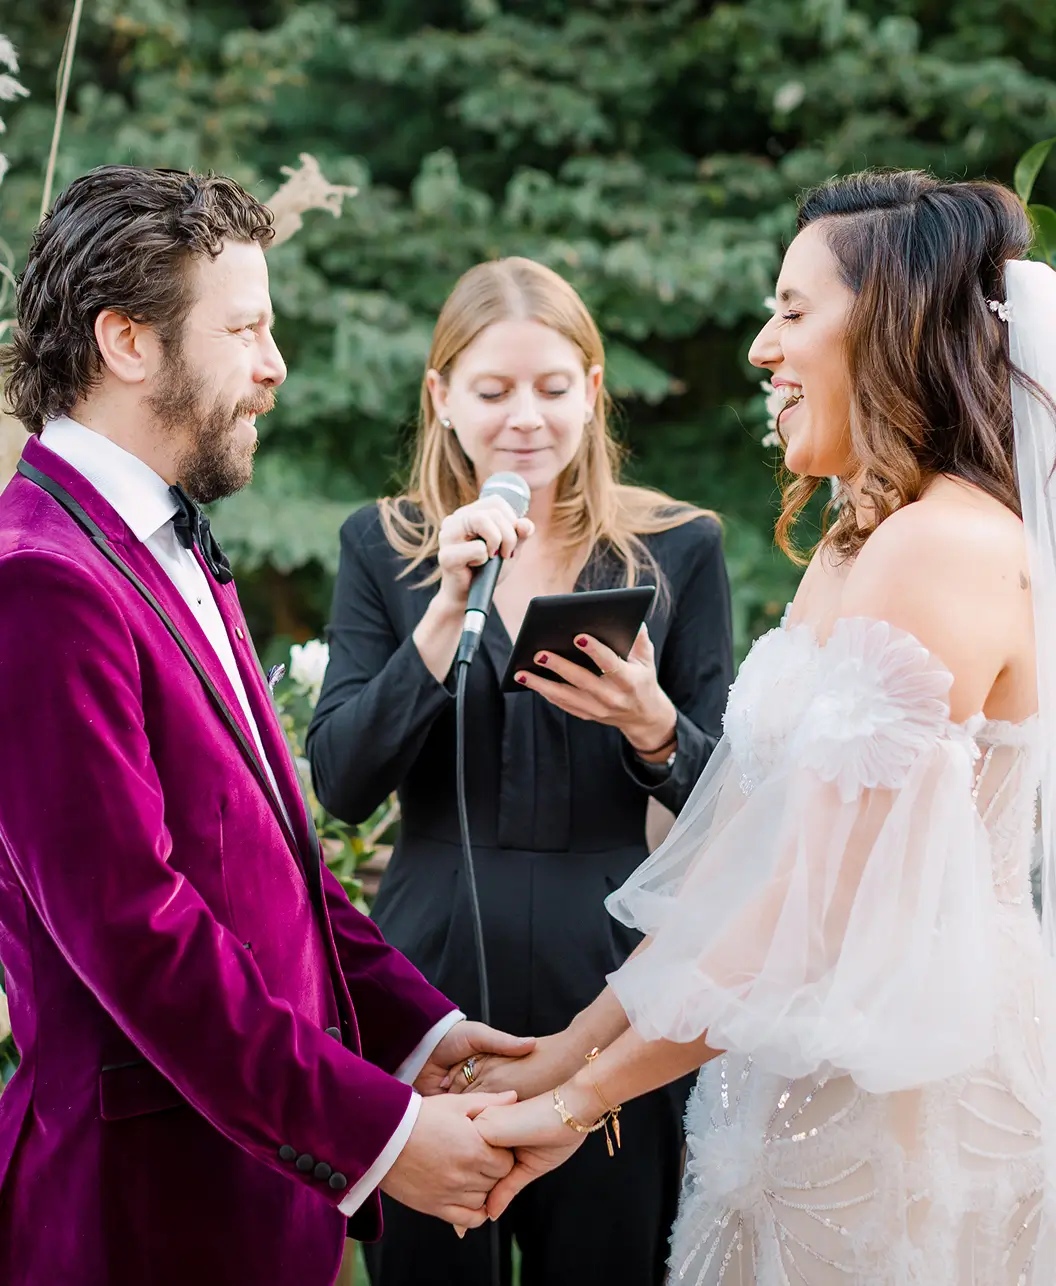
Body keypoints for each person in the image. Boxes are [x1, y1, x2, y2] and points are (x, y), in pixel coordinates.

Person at [458, 171, 1056, 1285]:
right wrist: (568, 1044)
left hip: (910, 1087)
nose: (759, 349)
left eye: (792, 309)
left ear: (888, 323)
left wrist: (586, 1099)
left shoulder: (945, 547)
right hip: (800, 1054)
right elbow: (750, 854)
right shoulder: (858, 539)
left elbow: (819, 903)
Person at [0, 165, 536, 1286]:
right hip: (143, 1216)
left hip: (259, 1198)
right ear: (128, 342)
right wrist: (379, 1136)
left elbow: (277, 862)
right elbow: (137, 935)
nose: (274, 366)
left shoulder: (164, 540)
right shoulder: (39, 581)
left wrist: (422, 1032)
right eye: (244, 328)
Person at [306, 255, 734, 1286]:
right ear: (442, 396)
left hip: (610, 975)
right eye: (492, 392)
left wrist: (653, 725)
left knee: (607, 1256)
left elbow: (734, 812)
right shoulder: (387, 545)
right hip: (426, 975)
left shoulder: (677, 547)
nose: (524, 419)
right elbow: (342, 781)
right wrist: (443, 615)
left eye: (552, 388)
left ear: (592, 392)